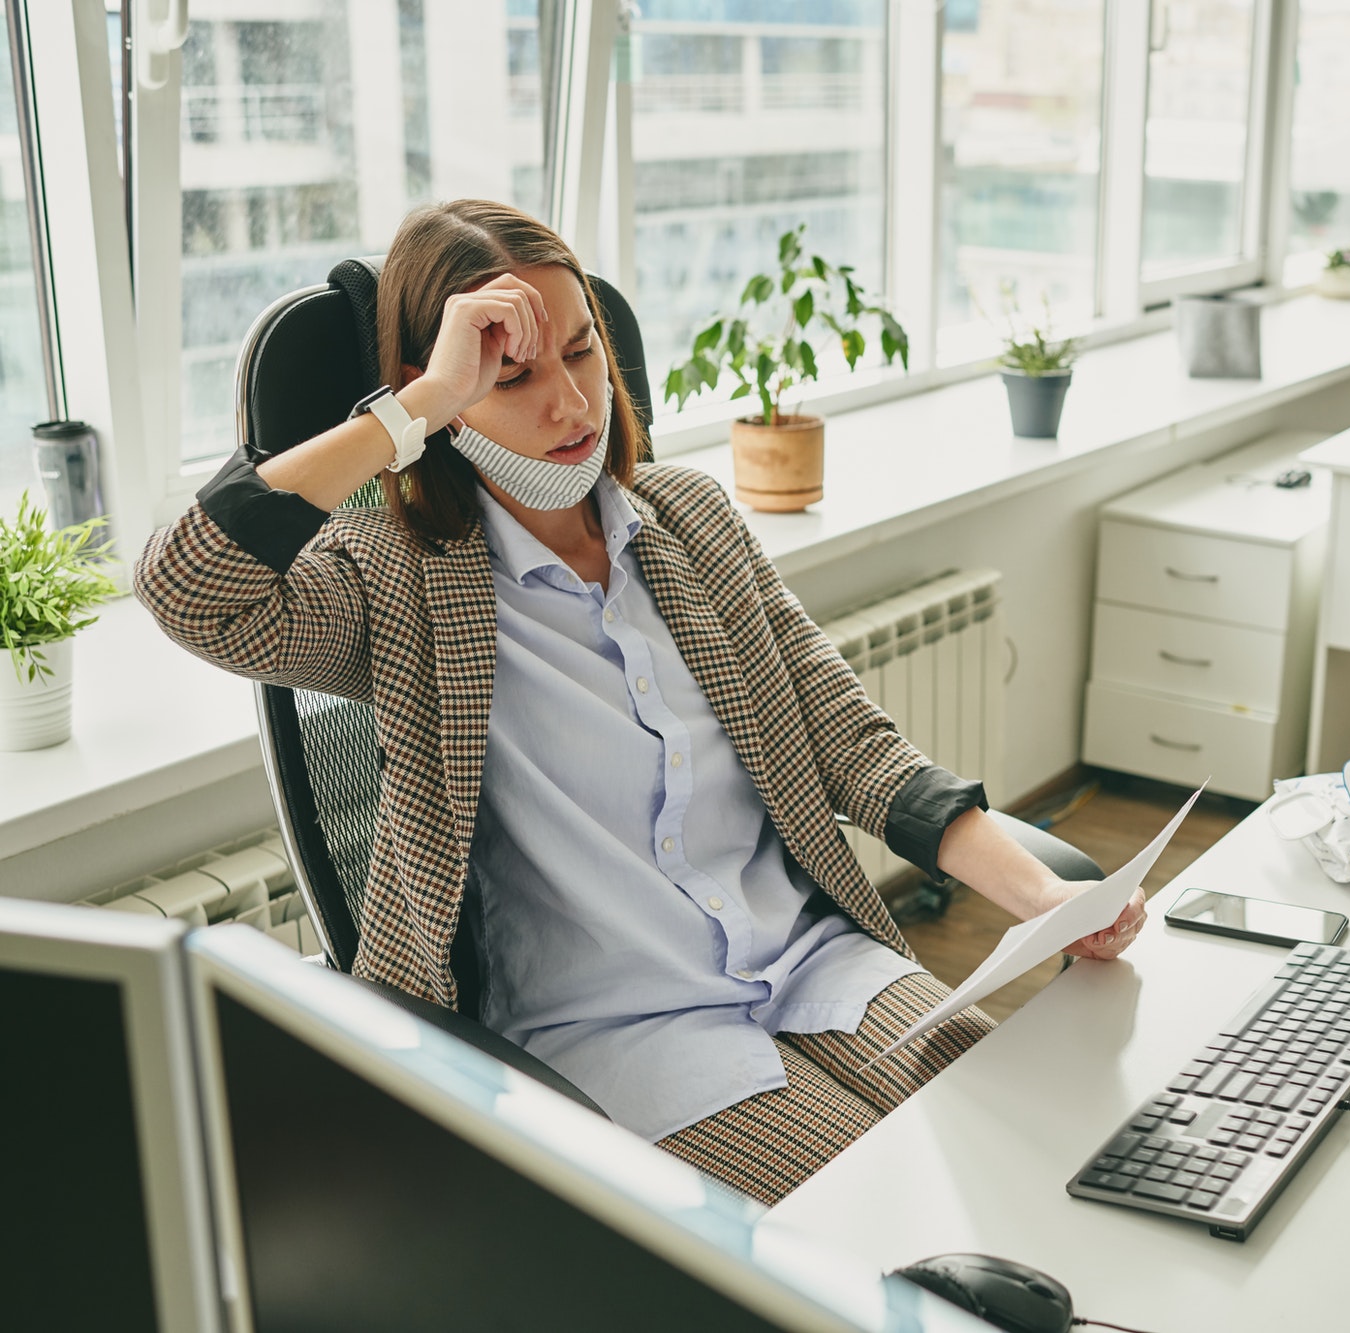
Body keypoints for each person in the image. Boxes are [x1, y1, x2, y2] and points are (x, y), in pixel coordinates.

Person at [134, 199, 1145, 1204]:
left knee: (1046, 1159)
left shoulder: (690, 519)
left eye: (581, 352)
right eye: (512, 374)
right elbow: (186, 588)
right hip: (624, 1034)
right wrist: (422, 402)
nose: (572, 405)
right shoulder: (396, 576)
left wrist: (1044, 900)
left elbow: (852, 743)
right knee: (894, 1231)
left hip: (812, 961)